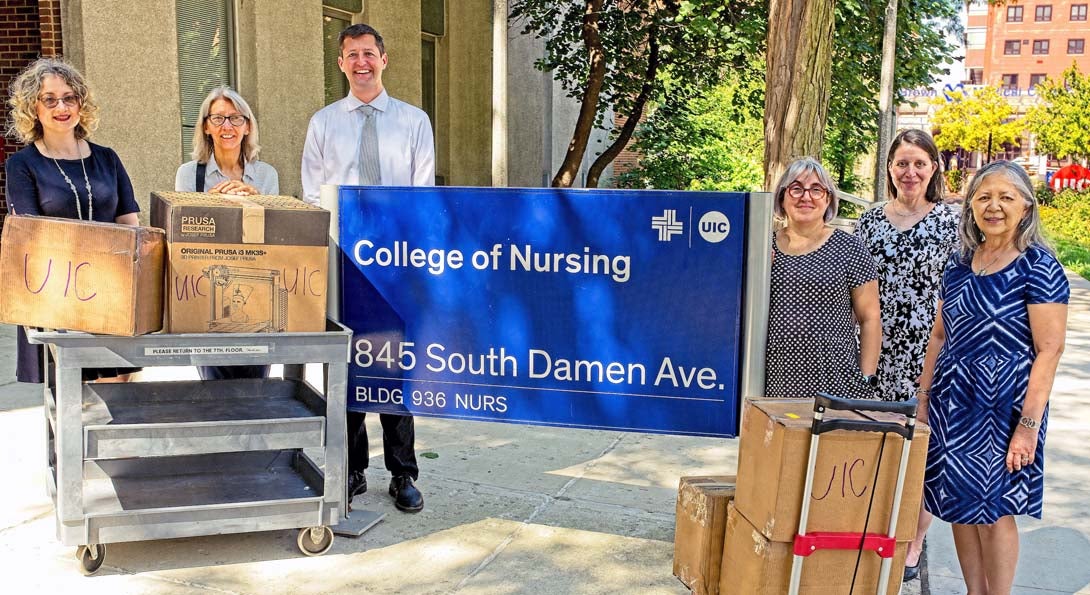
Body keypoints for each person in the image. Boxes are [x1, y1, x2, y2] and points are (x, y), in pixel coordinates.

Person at [918, 160, 1068, 595]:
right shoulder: (961, 260)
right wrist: (924, 400)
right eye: (984, 197)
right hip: (953, 403)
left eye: (1006, 197)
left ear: (1026, 205)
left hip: (1005, 410)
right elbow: (940, 333)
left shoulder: (1039, 266)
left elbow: (1050, 350)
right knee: (959, 507)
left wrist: (1027, 427)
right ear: (970, 207)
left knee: (995, 510)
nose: (994, 206)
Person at [302, 23, 434, 513]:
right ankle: (352, 468)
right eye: (351, 55)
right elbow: (312, 197)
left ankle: (403, 473)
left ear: (384, 59)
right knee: (348, 368)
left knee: (395, 369)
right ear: (341, 64)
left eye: (368, 54)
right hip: (343, 265)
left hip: (396, 266)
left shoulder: (414, 122)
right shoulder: (323, 124)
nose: (361, 62)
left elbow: (422, 200)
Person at [854, 129, 960, 580]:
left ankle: (912, 545)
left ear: (934, 167)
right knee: (875, 447)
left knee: (921, 450)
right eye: (902, 163)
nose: (910, 171)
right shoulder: (870, 221)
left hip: (929, 353)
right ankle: (871, 530)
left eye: (919, 163)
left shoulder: (953, 224)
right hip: (875, 350)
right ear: (890, 169)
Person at [5, 58, 140, 384]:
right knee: (73, 410)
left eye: (69, 97)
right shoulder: (22, 165)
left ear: (81, 102)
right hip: (58, 299)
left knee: (120, 399)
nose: (61, 106)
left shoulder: (107, 158)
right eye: (49, 99)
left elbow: (130, 225)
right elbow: (31, 237)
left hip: (112, 293)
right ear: (32, 108)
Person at [175, 86, 278, 381]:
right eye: (218, 119)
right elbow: (183, 235)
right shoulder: (189, 174)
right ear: (206, 126)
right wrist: (215, 205)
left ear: (247, 126)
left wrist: (254, 201)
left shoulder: (266, 175)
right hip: (207, 291)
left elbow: (278, 239)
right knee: (214, 383)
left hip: (257, 292)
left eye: (235, 118)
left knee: (255, 381)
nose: (227, 127)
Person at [764, 157, 881, 400]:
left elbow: (870, 318)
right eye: (796, 188)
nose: (806, 196)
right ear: (782, 197)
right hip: (774, 378)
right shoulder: (762, 247)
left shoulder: (850, 247)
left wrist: (866, 378)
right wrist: (759, 269)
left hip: (835, 379)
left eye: (816, 189)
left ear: (828, 199)